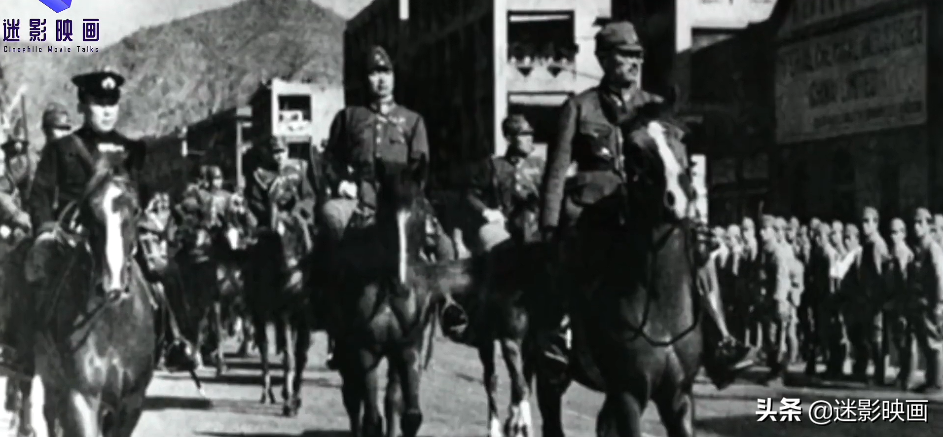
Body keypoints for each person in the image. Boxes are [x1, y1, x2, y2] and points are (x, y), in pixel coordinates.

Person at [537, 21, 754, 386]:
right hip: (596, 210)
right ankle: (562, 335)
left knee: (698, 250)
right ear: (604, 59)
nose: (634, 63)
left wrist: (692, 211)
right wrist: (549, 223)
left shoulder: (655, 106)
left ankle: (720, 338)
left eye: (637, 56)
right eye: (625, 56)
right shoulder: (579, 107)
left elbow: (677, 163)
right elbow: (556, 171)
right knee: (572, 255)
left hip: (649, 208)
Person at [0, 68, 191, 379]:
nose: (105, 110)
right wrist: (46, 232)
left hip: (121, 230)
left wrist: (146, 223)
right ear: (82, 106)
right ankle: (20, 348)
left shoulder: (132, 150)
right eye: (97, 103)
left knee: (162, 272)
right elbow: (41, 196)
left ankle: (176, 340)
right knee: (24, 267)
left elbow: (143, 193)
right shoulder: (61, 149)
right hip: (72, 233)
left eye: (111, 103)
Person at [907, 208, 943, 393]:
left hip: (931, 303)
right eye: (914, 222)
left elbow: (939, 277)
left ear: (929, 226)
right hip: (921, 302)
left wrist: (938, 303)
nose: (916, 227)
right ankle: (930, 379)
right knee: (925, 342)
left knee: (934, 343)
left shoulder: (932, 248)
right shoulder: (921, 248)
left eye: (920, 223)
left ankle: (937, 382)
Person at [885, 217, 916, 389]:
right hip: (894, 300)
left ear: (903, 233)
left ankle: (907, 375)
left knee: (905, 340)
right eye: (891, 232)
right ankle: (903, 373)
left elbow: (904, 280)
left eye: (896, 232)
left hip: (901, 301)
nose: (893, 236)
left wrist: (902, 304)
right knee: (898, 339)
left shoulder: (903, 252)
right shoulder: (894, 251)